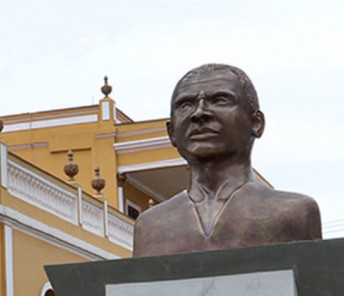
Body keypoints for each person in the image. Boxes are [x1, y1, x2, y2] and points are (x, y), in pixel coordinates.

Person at [132, 64, 321, 257]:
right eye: (186, 105)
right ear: (171, 132)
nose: (199, 113)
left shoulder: (295, 212)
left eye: (220, 100)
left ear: (256, 123)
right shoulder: (150, 225)